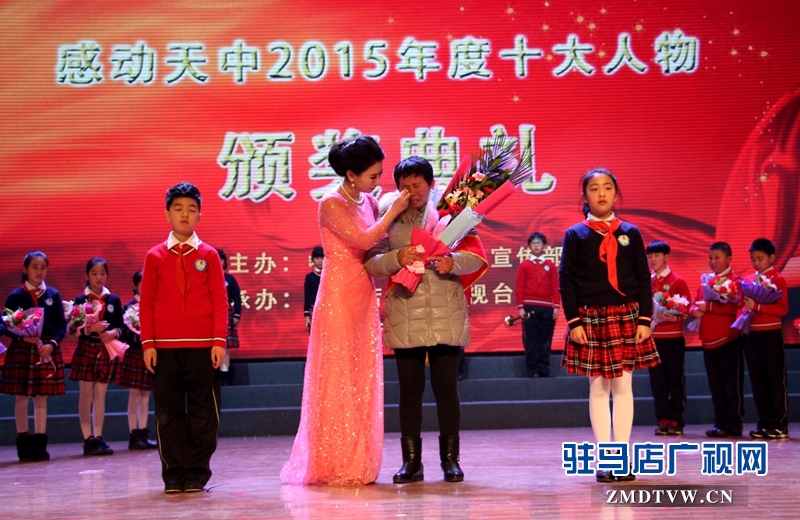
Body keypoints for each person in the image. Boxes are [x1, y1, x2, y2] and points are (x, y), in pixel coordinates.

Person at [280, 135, 410, 486]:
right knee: (337, 375)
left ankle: (358, 457)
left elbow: (379, 239)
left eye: (379, 174)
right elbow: (365, 239)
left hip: (363, 293)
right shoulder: (331, 203)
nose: (377, 182)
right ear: (351, 175)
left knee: (361, 376)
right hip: (337, 298)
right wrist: (394, 211)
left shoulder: (368, 199)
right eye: (373, 176)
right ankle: (331, 460)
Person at [365, 156, 488, 484]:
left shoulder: (451, 213)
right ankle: (411, 463)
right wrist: (396, 257)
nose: (412, 192)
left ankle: (451, 461)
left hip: (446, 310)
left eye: (417, 185)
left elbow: (476, 256)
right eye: (404, 187)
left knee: (446, 389)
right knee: (409, 390)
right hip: (405, 311)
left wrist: (453, 262)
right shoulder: (387, 215)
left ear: (431, 184)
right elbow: (370, 262)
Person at [559, 168, 659, 483]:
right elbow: (566, 281)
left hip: (627, 316)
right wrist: (574, 321)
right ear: (584, 196)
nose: (601, 193)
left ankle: (622, 457)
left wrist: (645, 319)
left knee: (624, 388)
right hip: (590, 318)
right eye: (594, 188)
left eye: (607, 187)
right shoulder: (576, 234)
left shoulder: (631, 232)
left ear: (616, 194)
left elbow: (643, 278)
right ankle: (606, 458)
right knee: (599, 388)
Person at [140, 182, 228, 494]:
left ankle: (196, 473)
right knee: (168, 413)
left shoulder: (209, 255)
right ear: (167, 214)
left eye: (191, 209)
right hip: (164, 349)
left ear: (200, 215)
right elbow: (146, 302)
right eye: (178, 208)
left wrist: (219, 341)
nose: (185, 214)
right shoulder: (154, 256)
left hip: (203, 347)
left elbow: (220, 300)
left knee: (205, 413)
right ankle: (173, 474)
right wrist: (148, 344)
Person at [0, 251, 67, 462]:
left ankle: (40, 444)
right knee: (21, 397)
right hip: (22, 349)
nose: (39, 272)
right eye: (35, 267)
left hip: (45, 348)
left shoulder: (53, 294)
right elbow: (6, 324)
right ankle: (23, 444)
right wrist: (21, 337)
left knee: (41, 397)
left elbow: (61, 325)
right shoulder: (16, 295)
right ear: (25, 269)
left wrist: (52, 344)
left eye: (43, 268)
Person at [69, 257, 124, 456]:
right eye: (94, 273)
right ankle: (88, 439)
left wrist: (113, 333)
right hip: (86, 349)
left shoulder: (113, 300)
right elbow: (72, 329)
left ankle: (99, 436)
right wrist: (89, 329)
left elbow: (121, 326)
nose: (99, 277)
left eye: (102, 273)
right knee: (86, 395)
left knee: (100, 395)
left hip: (106, 349)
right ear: (87, 275)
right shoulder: (80, 300)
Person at [690, 242, 744, 438]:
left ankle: (734, 424)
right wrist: (693, 311)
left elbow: (735, 307)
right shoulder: (705, 280)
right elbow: (695, 303)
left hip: (727, 340)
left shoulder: (735, 281)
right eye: (710, 258)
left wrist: (709, 307)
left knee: (731, 386)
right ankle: (720, 422)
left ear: (728, 259)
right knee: (716, 386)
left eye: (717, 258)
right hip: (708, 341)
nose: (712, 262)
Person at [741, 238, 790, 439]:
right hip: (752, 335)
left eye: (759, 259)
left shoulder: (778, 279)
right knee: (758, 380)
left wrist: (758, 307)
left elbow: (783, 309)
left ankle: (779, 425)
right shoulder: (749, 280)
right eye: (753, 259)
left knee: (775, 380)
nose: (756, 263)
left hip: (771, 334)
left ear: (772, 257)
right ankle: (764, 422)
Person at [645, 240, 691, 436]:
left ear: (666, 257)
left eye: (656, 255)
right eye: (650, 256)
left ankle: (676, 419)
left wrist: (675, 317)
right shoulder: (646, 282)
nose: (652, 260)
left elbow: (687, 308)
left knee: (675, 379)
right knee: (658, 381)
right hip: (653, 338)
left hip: (673, 338)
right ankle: (662, 418)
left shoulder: (677, 281)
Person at [115, 270, 157, 449]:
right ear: (135, 285)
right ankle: (133, 435)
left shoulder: (155, 306)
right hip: (134, 353)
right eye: (142, 283)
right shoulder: (128, 308)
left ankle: (144, 434)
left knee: (146, 395)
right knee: (134, 395)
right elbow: (122, 332)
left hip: (149, 353)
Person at [515, 232, 560, 378]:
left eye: (539, 243)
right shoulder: (524, 265)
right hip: (529, 306)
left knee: (546, 339)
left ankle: (543, 368)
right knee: (531, 339)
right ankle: (532, 369)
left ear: (544, 246)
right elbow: (519, 287)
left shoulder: (550, 266)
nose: (536, 246)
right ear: (529, 246)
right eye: (533, 243)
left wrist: (556, 306)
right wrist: (520, 307)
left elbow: (555, 287)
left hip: (547, 307)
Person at [216, 249, 242, 386]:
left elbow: (237, 298)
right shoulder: (205, 278)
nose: (219, 262)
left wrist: (237, 315)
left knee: (224, 347)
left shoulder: (229, 279)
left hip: (226, 314)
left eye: (221, 259)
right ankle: (213, 375)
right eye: (216, 259)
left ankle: (224, 374)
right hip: (209, 316)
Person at [303, 246, 324, 331]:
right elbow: (307, 297)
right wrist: (307, 315)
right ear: (312, 260)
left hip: (330, 310)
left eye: (322, 258)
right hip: (314, 311)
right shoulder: (310, 277)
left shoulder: (330, 276)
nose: (319, 261)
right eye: (317, 258)